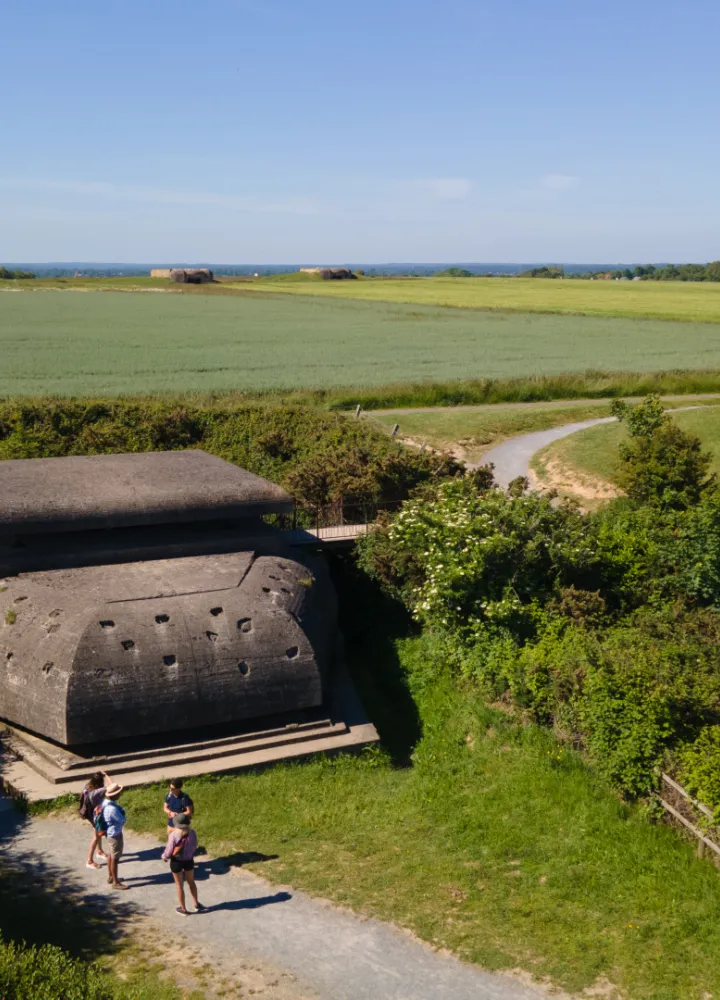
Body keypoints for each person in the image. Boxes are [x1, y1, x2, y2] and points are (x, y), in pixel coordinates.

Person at [162, 812, 204, 916]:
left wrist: (164, 857)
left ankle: (183, 909)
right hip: (189, 861)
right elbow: (195, 846)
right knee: (191, 882)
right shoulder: (193, 833)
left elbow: (169, 851)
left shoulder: (174, 835)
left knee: (179, 885)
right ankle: (196, 904)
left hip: (176, 862)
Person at [97, 783, 129, 890]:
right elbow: (122, 820)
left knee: (111, 855)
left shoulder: (105, 803)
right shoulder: (113, 809)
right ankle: (116, 882)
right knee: (115, 858)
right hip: (115, 834)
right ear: (114, 795)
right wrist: (123, 813)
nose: (120, 794)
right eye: (118, 793)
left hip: (108, 833)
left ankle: (111, 876)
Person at [79, 770, 109, 869]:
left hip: (90, 814)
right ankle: (89, 860)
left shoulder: (87, 787)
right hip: (96, 816)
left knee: (98, 834)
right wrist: (106, 775)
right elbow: (113, 786)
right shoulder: (97, 792)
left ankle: (99, 851)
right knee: (96, 837)